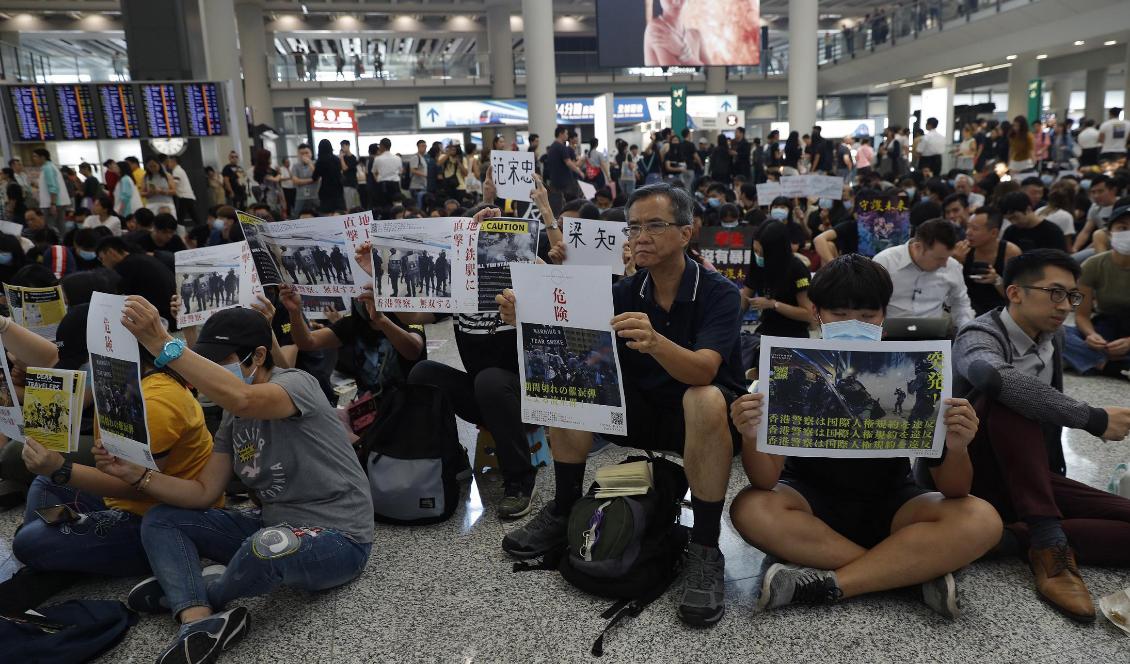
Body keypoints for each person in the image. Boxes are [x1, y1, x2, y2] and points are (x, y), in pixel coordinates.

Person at [497, 182, 745, 627]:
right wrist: (525, 318)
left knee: (704, 398)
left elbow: (705, 370)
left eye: (655, 225)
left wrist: (655, 342)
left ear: (687, 234)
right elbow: (571, 339)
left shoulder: (718, 293)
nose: (640, 236)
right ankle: (564, 507)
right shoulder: (624, 292)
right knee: (568, 378)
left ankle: (706, 546)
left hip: (705, 425)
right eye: (634, 226)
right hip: (638, 412)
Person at [93, 304, 373, 663]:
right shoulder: (232, 416)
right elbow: (204, 492)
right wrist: (138, 475)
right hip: (272, 523)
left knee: (266, 547)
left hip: (339, 538)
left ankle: (198, 590)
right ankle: (198, 622)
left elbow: (241, 396)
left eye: (219, 360)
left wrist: (163, 341)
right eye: (205, 361)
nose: (209, 373)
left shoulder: (294, 383)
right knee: (162, 518)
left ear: (258, 355)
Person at [728, 254, 1001, 616]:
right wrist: (749, 435)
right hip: (809, 501)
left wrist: (958, 447)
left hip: (893, 500)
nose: (853, 323)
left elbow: (954, 490)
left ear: (884, 316)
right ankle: (908, 574)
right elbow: (765, 480)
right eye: (839, 315)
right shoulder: (783, 373)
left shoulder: (920, 372)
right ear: (817, 313)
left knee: (982, 518)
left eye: (868, 316)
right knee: (749, 507)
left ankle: (837, 582)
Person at [953, 249, 1130, 623]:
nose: (1065, 305)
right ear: (1015, 293)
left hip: (1032, 475)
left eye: (1072, 295)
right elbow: (992, 377)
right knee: (1007, 393)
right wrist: (1093, 418)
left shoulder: (1053, 337)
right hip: (971, 474)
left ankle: (1013, 539)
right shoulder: (979, 334)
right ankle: (1049, 544)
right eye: (1055, 293)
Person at [14, 307, 216, 577]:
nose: (83, 373)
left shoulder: (152, 402)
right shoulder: (123, 382)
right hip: (124, 501)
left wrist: (61, 468)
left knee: (30, 540)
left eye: (84, 362)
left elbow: (141, 486)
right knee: (44, 486)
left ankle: (159, 559)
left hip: (159, 518)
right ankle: (50, 562)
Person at [280, 282, 424, 398]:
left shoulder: (407, 316)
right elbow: (307, 342)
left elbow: (413, 351)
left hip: (410, 407)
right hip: (370, 411)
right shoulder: (352, 324)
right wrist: (295, 312)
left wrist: (381, 320)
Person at [1063, 201, 1130, 375]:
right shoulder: (1093, 265)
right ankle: (1114, 366)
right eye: (1122, 228)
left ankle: (1089, 360)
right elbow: (1082, 315)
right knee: (1058, 333)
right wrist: (1091, 335)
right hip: (1107, 325)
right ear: (1109, 233)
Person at [872, 219, 974, 330]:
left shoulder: (952, 266)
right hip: (887, 336)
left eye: (948, 257)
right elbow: (868, 304)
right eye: (939, 258)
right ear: (918, 247)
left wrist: (968, 332)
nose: (945, 264)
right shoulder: (885, 262)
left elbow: (961, 304)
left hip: (933, 337)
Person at [740, 220, 813, 341]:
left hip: (794, 336)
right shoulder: (758, 266)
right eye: (755, 251)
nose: (757, 256)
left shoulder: (797, 270)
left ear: (775, 252)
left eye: (761, 253)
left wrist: (773, 304)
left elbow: (809, 314)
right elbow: (743, 304)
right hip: (765, 333)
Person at [96, 236, 177, 330]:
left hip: (163, 321)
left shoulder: (124, 267)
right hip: (172, 313)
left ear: (111, 252)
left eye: (102, 259)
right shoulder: (141, 258)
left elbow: (119, 300)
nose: (103, 264)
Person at [955, 208, 1022, 316]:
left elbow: (1019, 296)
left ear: (994, 233)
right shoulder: (961, 249)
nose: (968, 232)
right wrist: (956, 263)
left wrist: (996, 280)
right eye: (968, 227)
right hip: (966, 308)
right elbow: (949, 290)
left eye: (975, 229)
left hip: (999, 311)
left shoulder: (1010, 252)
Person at [999, 191, 1068, 253]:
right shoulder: (1011, 231)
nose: (1013, 222)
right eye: (1009, 219)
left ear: (1028, 209)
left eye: (1015, 217)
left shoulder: (1052, 232)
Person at [644, 0, 705, 66]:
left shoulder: (696, 35)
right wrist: (686, 55)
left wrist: (684, 53)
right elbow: (676, 75)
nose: (677, 1)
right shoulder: (657, 29)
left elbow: (713, 73)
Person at [1072, 174, 1120, 257]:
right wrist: (1075, 249)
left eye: (1100, 191)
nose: (1096, 196)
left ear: (1113, 190)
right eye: (1093, 192)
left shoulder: (1123, 205)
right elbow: (1086, 231)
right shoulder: (1094, 208)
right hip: (1100, 245)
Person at [31, 148, 71, 236]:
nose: (33, 158)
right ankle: (62, 245)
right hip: (56, 203)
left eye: (35, 156)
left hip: (53, 203)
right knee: (60, 226)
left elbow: (53, 187)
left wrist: (53, 204)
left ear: (43, 157)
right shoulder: (50, 167)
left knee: (50, 228)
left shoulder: (48, 168)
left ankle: (53, 246)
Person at [543, 126, 583, 213]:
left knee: (557, 204)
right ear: (561, 134)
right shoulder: (561, 147)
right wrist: (579, 171)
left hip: (554, 180)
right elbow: (568, 162)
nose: (567, 136)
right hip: (564, 182)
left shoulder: (552, 147)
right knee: (570, 204)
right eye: (566, 133)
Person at [164, 155, 198, 226]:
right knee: (194, 217)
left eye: (169, 162)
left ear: (174, 162)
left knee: (180, 219)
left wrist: (163, 189)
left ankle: (180, 233)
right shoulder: (178, 170)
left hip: (184, 197)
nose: (168, 164)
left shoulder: (177, 171)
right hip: (187, 197)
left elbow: (174, 184)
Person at [313, 139, 345, 213]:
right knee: (339, 213)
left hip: (325, 191)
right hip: (338, 190)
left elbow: (314, 177)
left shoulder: (320, 161)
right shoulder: (336, 159)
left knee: (327, 215)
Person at [373, 138, 405, 210]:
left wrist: (377, 179)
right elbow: (401, 171)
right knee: (397, 205)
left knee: (385, 206)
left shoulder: (378, 158)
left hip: (383, 185)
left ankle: (386, 220)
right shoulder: (397, 158)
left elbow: (374, 172)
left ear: (382, 146)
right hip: (395, 184)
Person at [290, 144, 319, 216]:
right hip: (300, 196)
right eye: (302, 153)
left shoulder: (316, 164)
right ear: (298, 155)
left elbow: (318, 178)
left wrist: (310, 163)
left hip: (315, 195)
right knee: (297, 216)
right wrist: (312, 179)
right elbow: (295, 181)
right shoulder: (295, 166)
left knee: (319, 216)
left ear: (311, 153)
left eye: (307, 153)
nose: (304, 155)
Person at [340, 140, 360, 211]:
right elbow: (341, 170)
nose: (342, 148)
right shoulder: (343, 158)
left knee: (352, 205)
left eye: (343, 146)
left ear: (348, 145)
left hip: (351, 183)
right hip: (345, 184)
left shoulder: (353, 158)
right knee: (348, 204)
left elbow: (345, 168)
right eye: (341, 146)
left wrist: (341, 158)